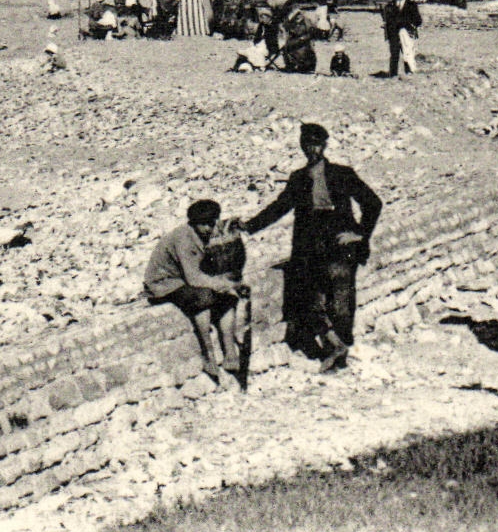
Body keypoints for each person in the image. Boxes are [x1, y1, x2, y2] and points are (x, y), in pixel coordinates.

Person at [243, 123, 382, 372]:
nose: (311, 150)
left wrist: (359, 235)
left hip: (340, 244)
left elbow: (373, 203)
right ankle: (334, 348)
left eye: (316, 144)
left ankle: (340, 354)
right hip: (311, 248)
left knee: (341, 300)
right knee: (308, 299)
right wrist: (249, 226)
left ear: (325, 145)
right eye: (307, 145)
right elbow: (279, 207)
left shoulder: (343, 173)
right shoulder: (298, 179)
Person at [144, 199, 249, 389]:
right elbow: (193, 278)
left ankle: (229, 351)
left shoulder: (206, 233)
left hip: (184, 277)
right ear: (194, 223)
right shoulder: (184, 239)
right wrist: (221, 284)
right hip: (166, 283)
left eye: (213, 222)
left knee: (228, 297)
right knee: (202, 299)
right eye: (206, 224)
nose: (211, 228)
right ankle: (208, 352)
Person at [380, 0, 421, 77]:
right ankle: (393, 73)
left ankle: (409, 71)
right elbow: (387, 19)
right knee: (394, 53)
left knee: (408, 52)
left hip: (407, 33)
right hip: (393, 33)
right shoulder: (389, 6)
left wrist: (409, 25)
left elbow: (418, 20)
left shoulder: (412, 5)